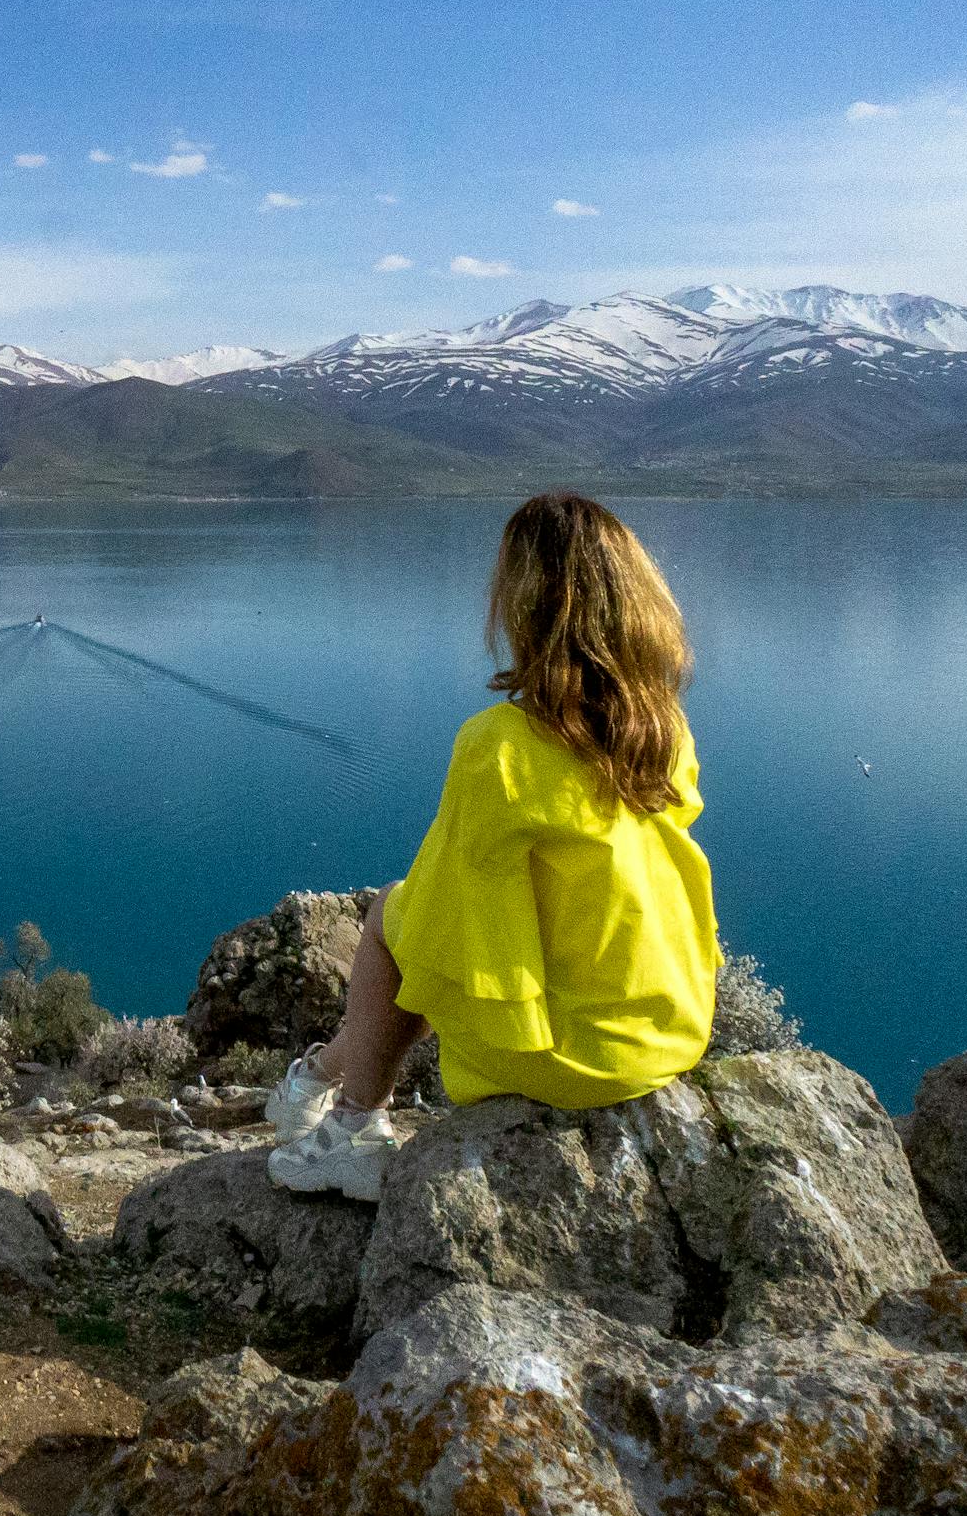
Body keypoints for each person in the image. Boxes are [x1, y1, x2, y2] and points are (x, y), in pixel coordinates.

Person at [266, 490, 721, 1200]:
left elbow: (444, 929)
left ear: (529, 606)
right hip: (665, 1035)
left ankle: (353, 1127)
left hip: (565, 1061)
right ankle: (316, 1076)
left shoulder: (500, 747)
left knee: (393, 919)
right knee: (422, 926)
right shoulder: (660, 731)